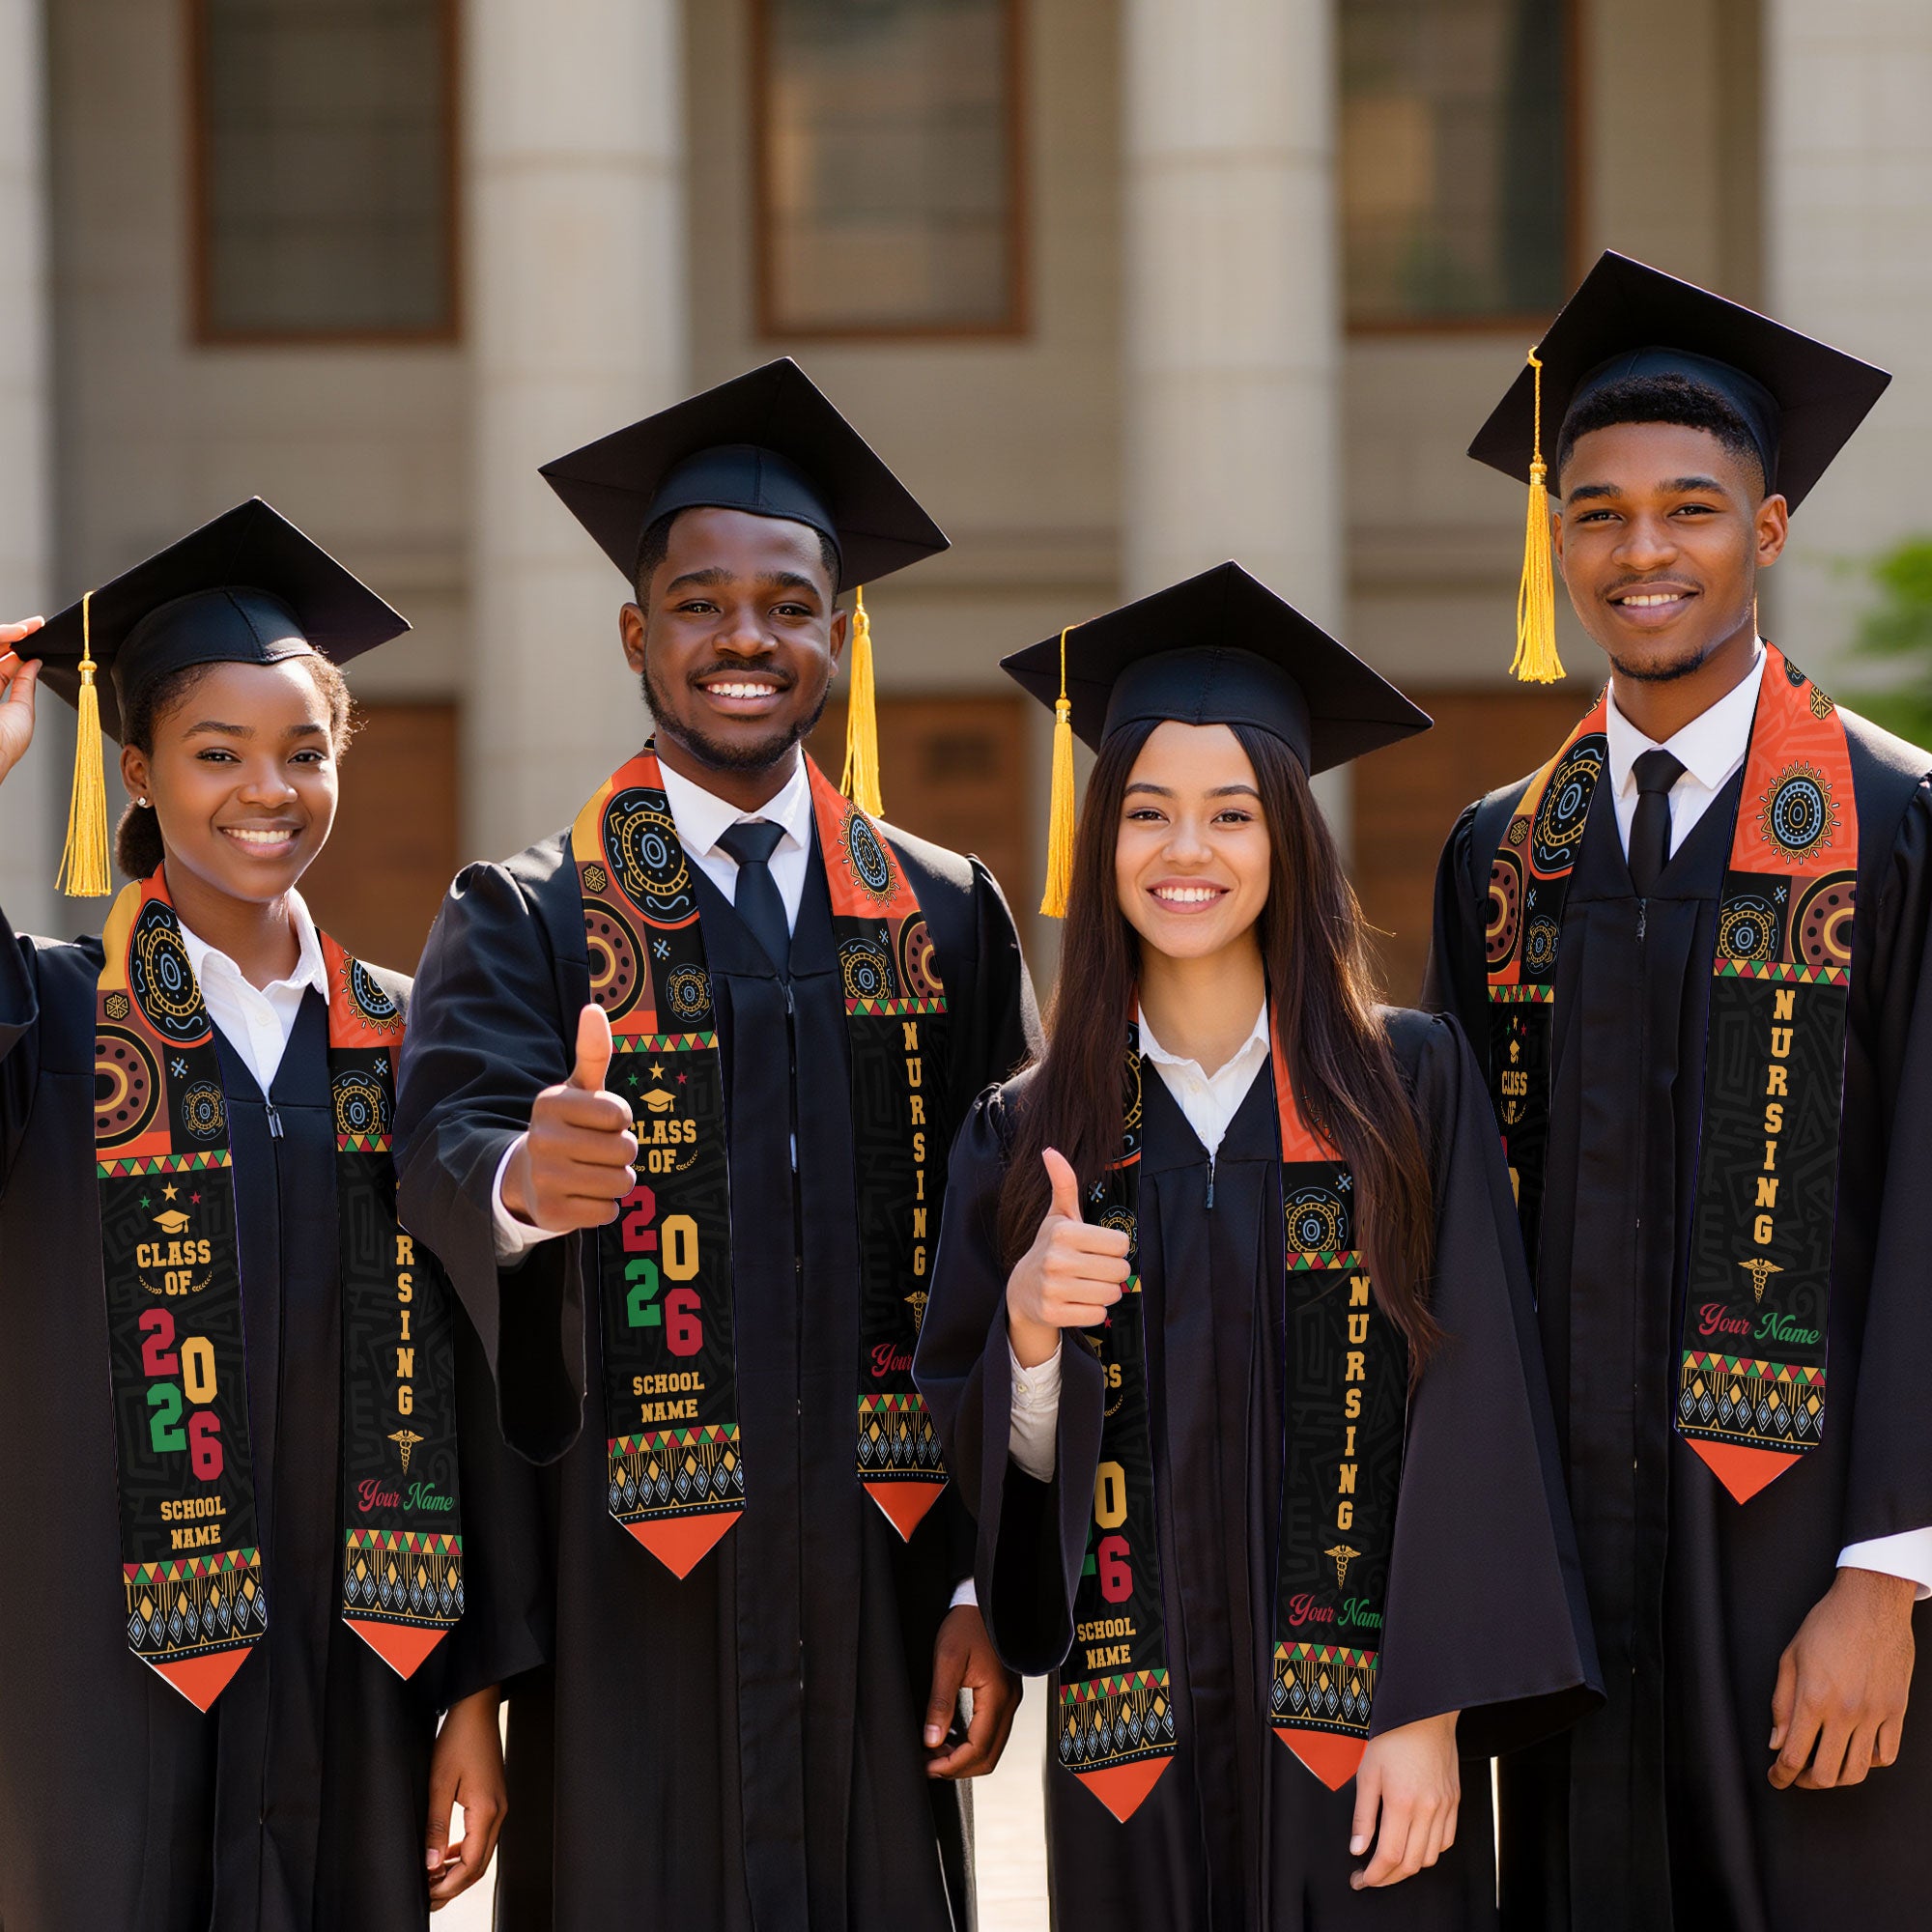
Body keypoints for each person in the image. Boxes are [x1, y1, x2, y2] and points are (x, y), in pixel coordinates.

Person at [392, 358, 1039, 1929]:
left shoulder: (941, 914)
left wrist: (979, 1589)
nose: (744, 638)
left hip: (881, 1584)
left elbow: (1013, 1253)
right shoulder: (530, 916)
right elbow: (438, 1153)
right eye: (698, 603)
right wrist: (522, 1184)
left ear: (840, 633)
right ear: (638, 634)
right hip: (631, 1605)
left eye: (788, 603)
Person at [916, 561, 1599, 1930]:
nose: (1188, 853)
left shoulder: (1409, 1090)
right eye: (1149, 814)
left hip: (1364, 1742)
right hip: (1132, 1748)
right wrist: (1032, 1339)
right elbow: (988, 1470)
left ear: (1288, 839)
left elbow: (1478, 1403)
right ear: (1100, 842)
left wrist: (1430, 1707)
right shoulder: (1031, 1129)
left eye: (1231, 814)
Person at [1427, 251, 1932, 1931]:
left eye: (1692, 508)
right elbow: (1453, 1239)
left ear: (1768, 531)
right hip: (1568, 1566)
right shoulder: (1503, 855)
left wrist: (1890, 1571)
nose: (1643, 551)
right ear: (1555, 539)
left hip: (1807, 1561)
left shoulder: (1897, 823)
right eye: (1598, 511)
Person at [0, 498, 544, 1931]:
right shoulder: (55, 1021)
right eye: (217, 754)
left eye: (305, 753)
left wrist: (476, 1699)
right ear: (135, 771)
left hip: (357, 1670)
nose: (268, 790)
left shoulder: (410, 1042)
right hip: (93, 1682)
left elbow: (479, 1380)